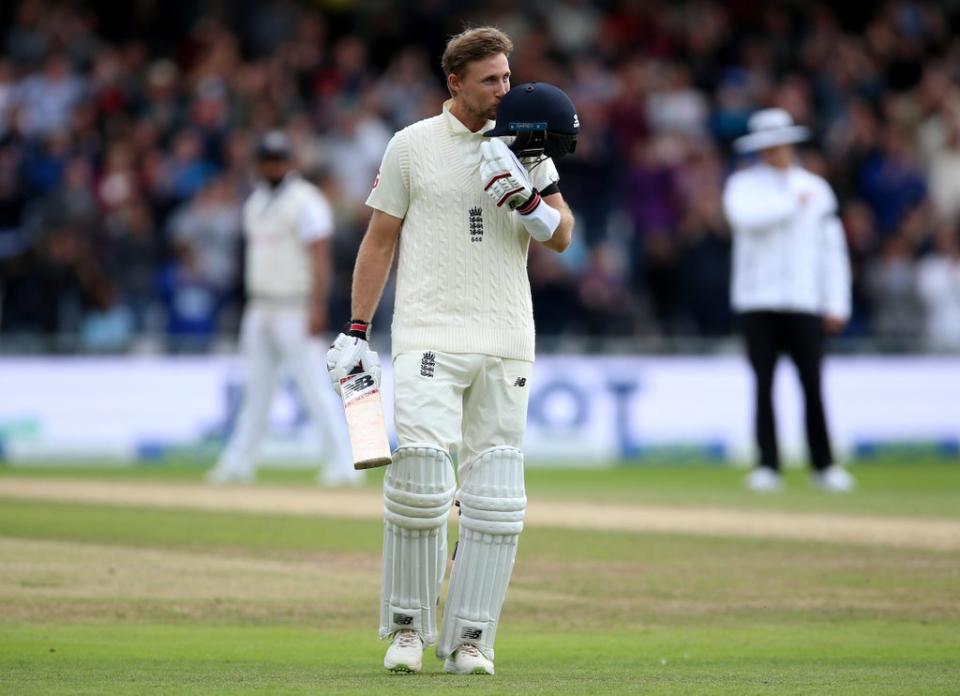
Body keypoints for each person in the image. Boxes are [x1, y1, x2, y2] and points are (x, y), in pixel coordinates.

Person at [325, 28, 577, 675]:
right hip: (429, 332)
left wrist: (526, 199)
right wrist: (357, 327)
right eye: (491, 79)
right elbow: (380, 239)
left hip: (507, 338)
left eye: (507, 76)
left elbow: (562, 236)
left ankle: (471, 642)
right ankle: (407, 632)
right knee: (420, 479)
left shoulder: (527, 142)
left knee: (493, 496)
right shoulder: (412, 145)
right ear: (455, 82)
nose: (503, 89)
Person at [207, 130, 360, 487]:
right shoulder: (255, 202)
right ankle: (238, 463)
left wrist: (317, 304)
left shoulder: (307, 201)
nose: (272, 165)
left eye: (278, 159)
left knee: (314, 388)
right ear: (259, 163)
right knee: (255, 390)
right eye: (266, 159)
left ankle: (342, 463)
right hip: (260, 305)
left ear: (288, 162)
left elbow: (320, 256)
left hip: (295, 306)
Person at [723, 108, 855, 493]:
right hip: (756, 299)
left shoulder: (816, 188)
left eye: (780, 145)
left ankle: (824, 465)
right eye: (767, 146)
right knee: (763, 383)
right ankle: (768, 465)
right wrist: (791, 205)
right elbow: (744, 218)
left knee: (812, 383)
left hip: (804, 299)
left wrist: (838, 302)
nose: (774, 152)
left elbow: (833, 250)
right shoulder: (743, 185)